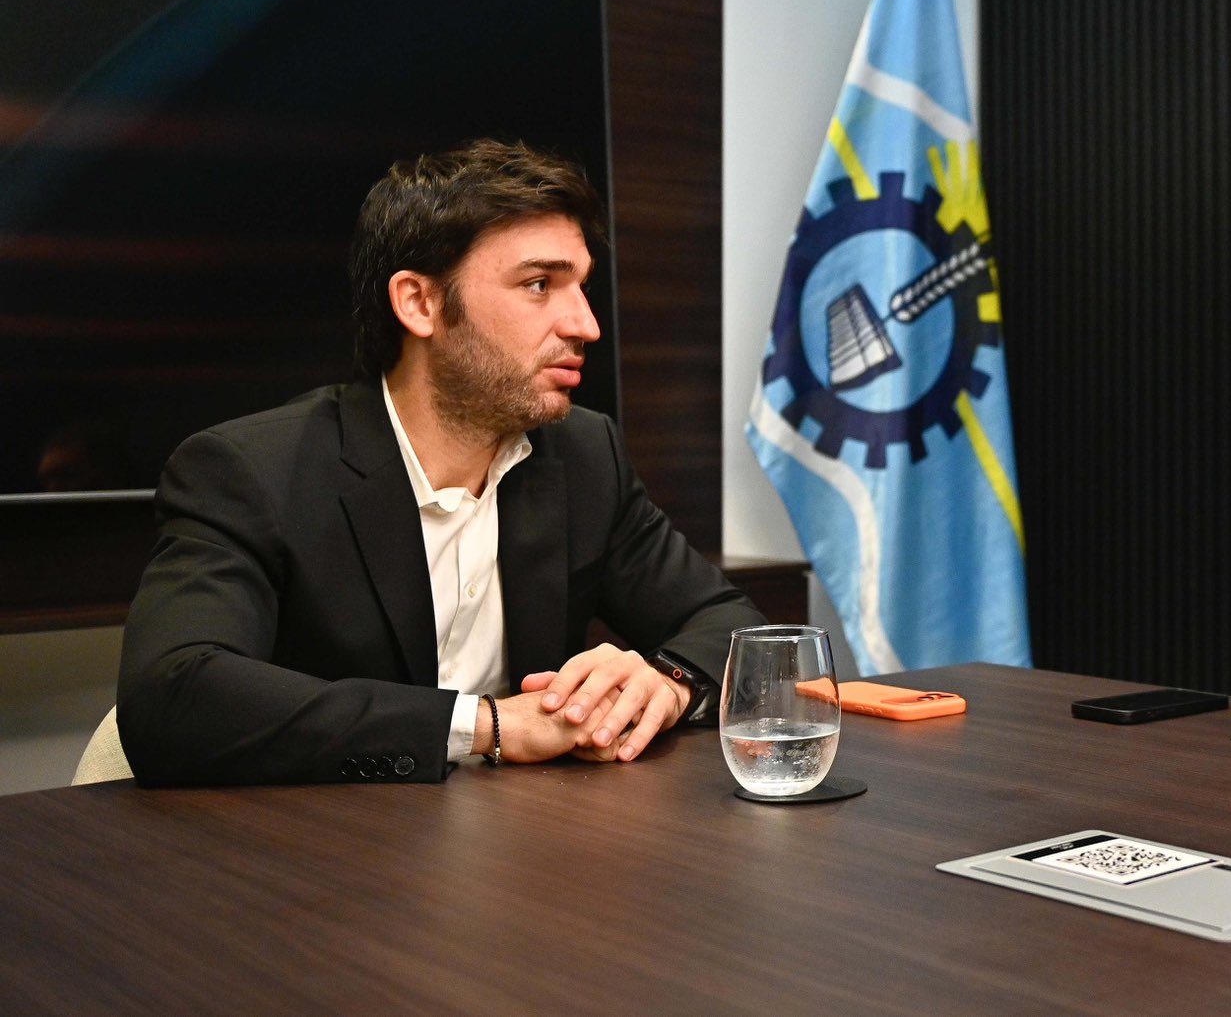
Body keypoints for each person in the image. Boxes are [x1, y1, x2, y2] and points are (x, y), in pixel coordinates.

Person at [119, 140, 764, 785]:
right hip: (317, 833)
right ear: (419, 304)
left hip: (525, 829)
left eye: (581, 286)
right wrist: (489, 726)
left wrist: (666, 683)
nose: (586, 324)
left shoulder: (586, 453)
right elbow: (172, 694)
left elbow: (735, 627)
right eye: (539, 285)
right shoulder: (250, 470)